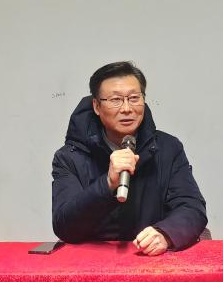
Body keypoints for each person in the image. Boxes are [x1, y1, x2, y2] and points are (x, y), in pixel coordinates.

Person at [51, 61, 208, 255]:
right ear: (97, 106)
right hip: (94, 261)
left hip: (152, 260)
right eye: (116, 100)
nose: (127, 108)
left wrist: (166, 234)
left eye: (134, 98)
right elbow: (64, 226)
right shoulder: (69, 157)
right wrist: (107, 184)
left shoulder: (168, 148)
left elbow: (192, 207)